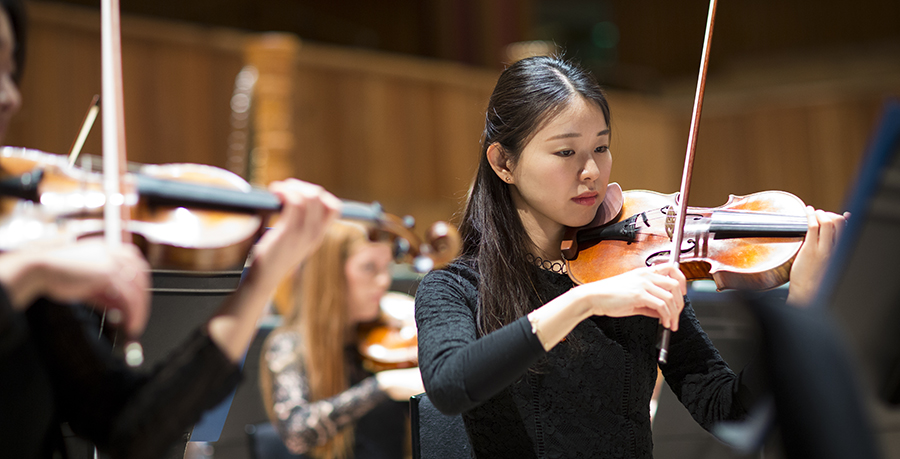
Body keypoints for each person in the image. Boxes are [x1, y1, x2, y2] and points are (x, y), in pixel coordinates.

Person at [414, 55, 847, 458]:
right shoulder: (455, 288)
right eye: (566, 152)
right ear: (503, 162)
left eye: (600, 148)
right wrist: (586, 301)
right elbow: (451, 385)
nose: (591, 172)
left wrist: (801, 306)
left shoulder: (634, 266)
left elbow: (729, 411)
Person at [0, 0, 342, 457]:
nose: (11, 95)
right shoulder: (33, 260)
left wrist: (262, 278)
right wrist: (34, 271)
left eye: (10, 67)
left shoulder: (23, 235)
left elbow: (132, 427)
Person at [260, 220, 424, 459]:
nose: (383, 281)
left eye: (385, 267)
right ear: (331, 274)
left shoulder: (388, 333)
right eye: (369, 267)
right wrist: (381, 387)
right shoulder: (289, 345)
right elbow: (296, 431)